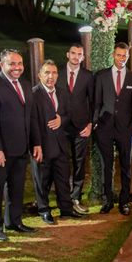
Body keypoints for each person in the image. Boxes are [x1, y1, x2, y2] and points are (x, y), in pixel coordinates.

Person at [0, 49, 42, 241]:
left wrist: (36, 143)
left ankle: (14, 222)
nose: (17, 67)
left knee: (16, 187)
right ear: (2, 65)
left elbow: (31, 117)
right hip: (0, 150)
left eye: (19, 64)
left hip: (21, 148)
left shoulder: (25, 85)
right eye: (12, 64)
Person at [31, 61, 83, 224]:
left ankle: (66, 209)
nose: (50, 76)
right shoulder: (34, 94)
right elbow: (32, 122)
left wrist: (62, 120)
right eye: (47, 73)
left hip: (61, 145)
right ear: (40, 75)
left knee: (62, 178)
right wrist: (36, 144)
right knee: (42, 180)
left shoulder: (62, 93)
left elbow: (68, 115)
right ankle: (44, 210)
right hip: (42, 146)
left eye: (53, 73)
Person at [94, 42, 132, 216]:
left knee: (126, 166)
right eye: (119, 55)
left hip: (125, 129)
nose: (121, 58)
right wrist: (96, 123)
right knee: (107, 165)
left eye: (124, 55)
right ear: (113, 55)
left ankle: (124, 201)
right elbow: (97, 102)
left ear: (128, 56)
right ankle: (107, 201)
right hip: (104, 128)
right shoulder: (101, 76)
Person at [56, 43, 93, 214]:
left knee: (79, 163)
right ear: (67, 54)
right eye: (73, 53)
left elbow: (93, 102)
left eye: (79, 54)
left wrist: (90, 124)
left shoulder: (88, 76)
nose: (76, 56)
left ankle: (75, 197)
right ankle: (63, 198)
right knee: (62, 163)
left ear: (83, 57)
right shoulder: (57, 74)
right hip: (61, 127)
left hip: (81, 127)